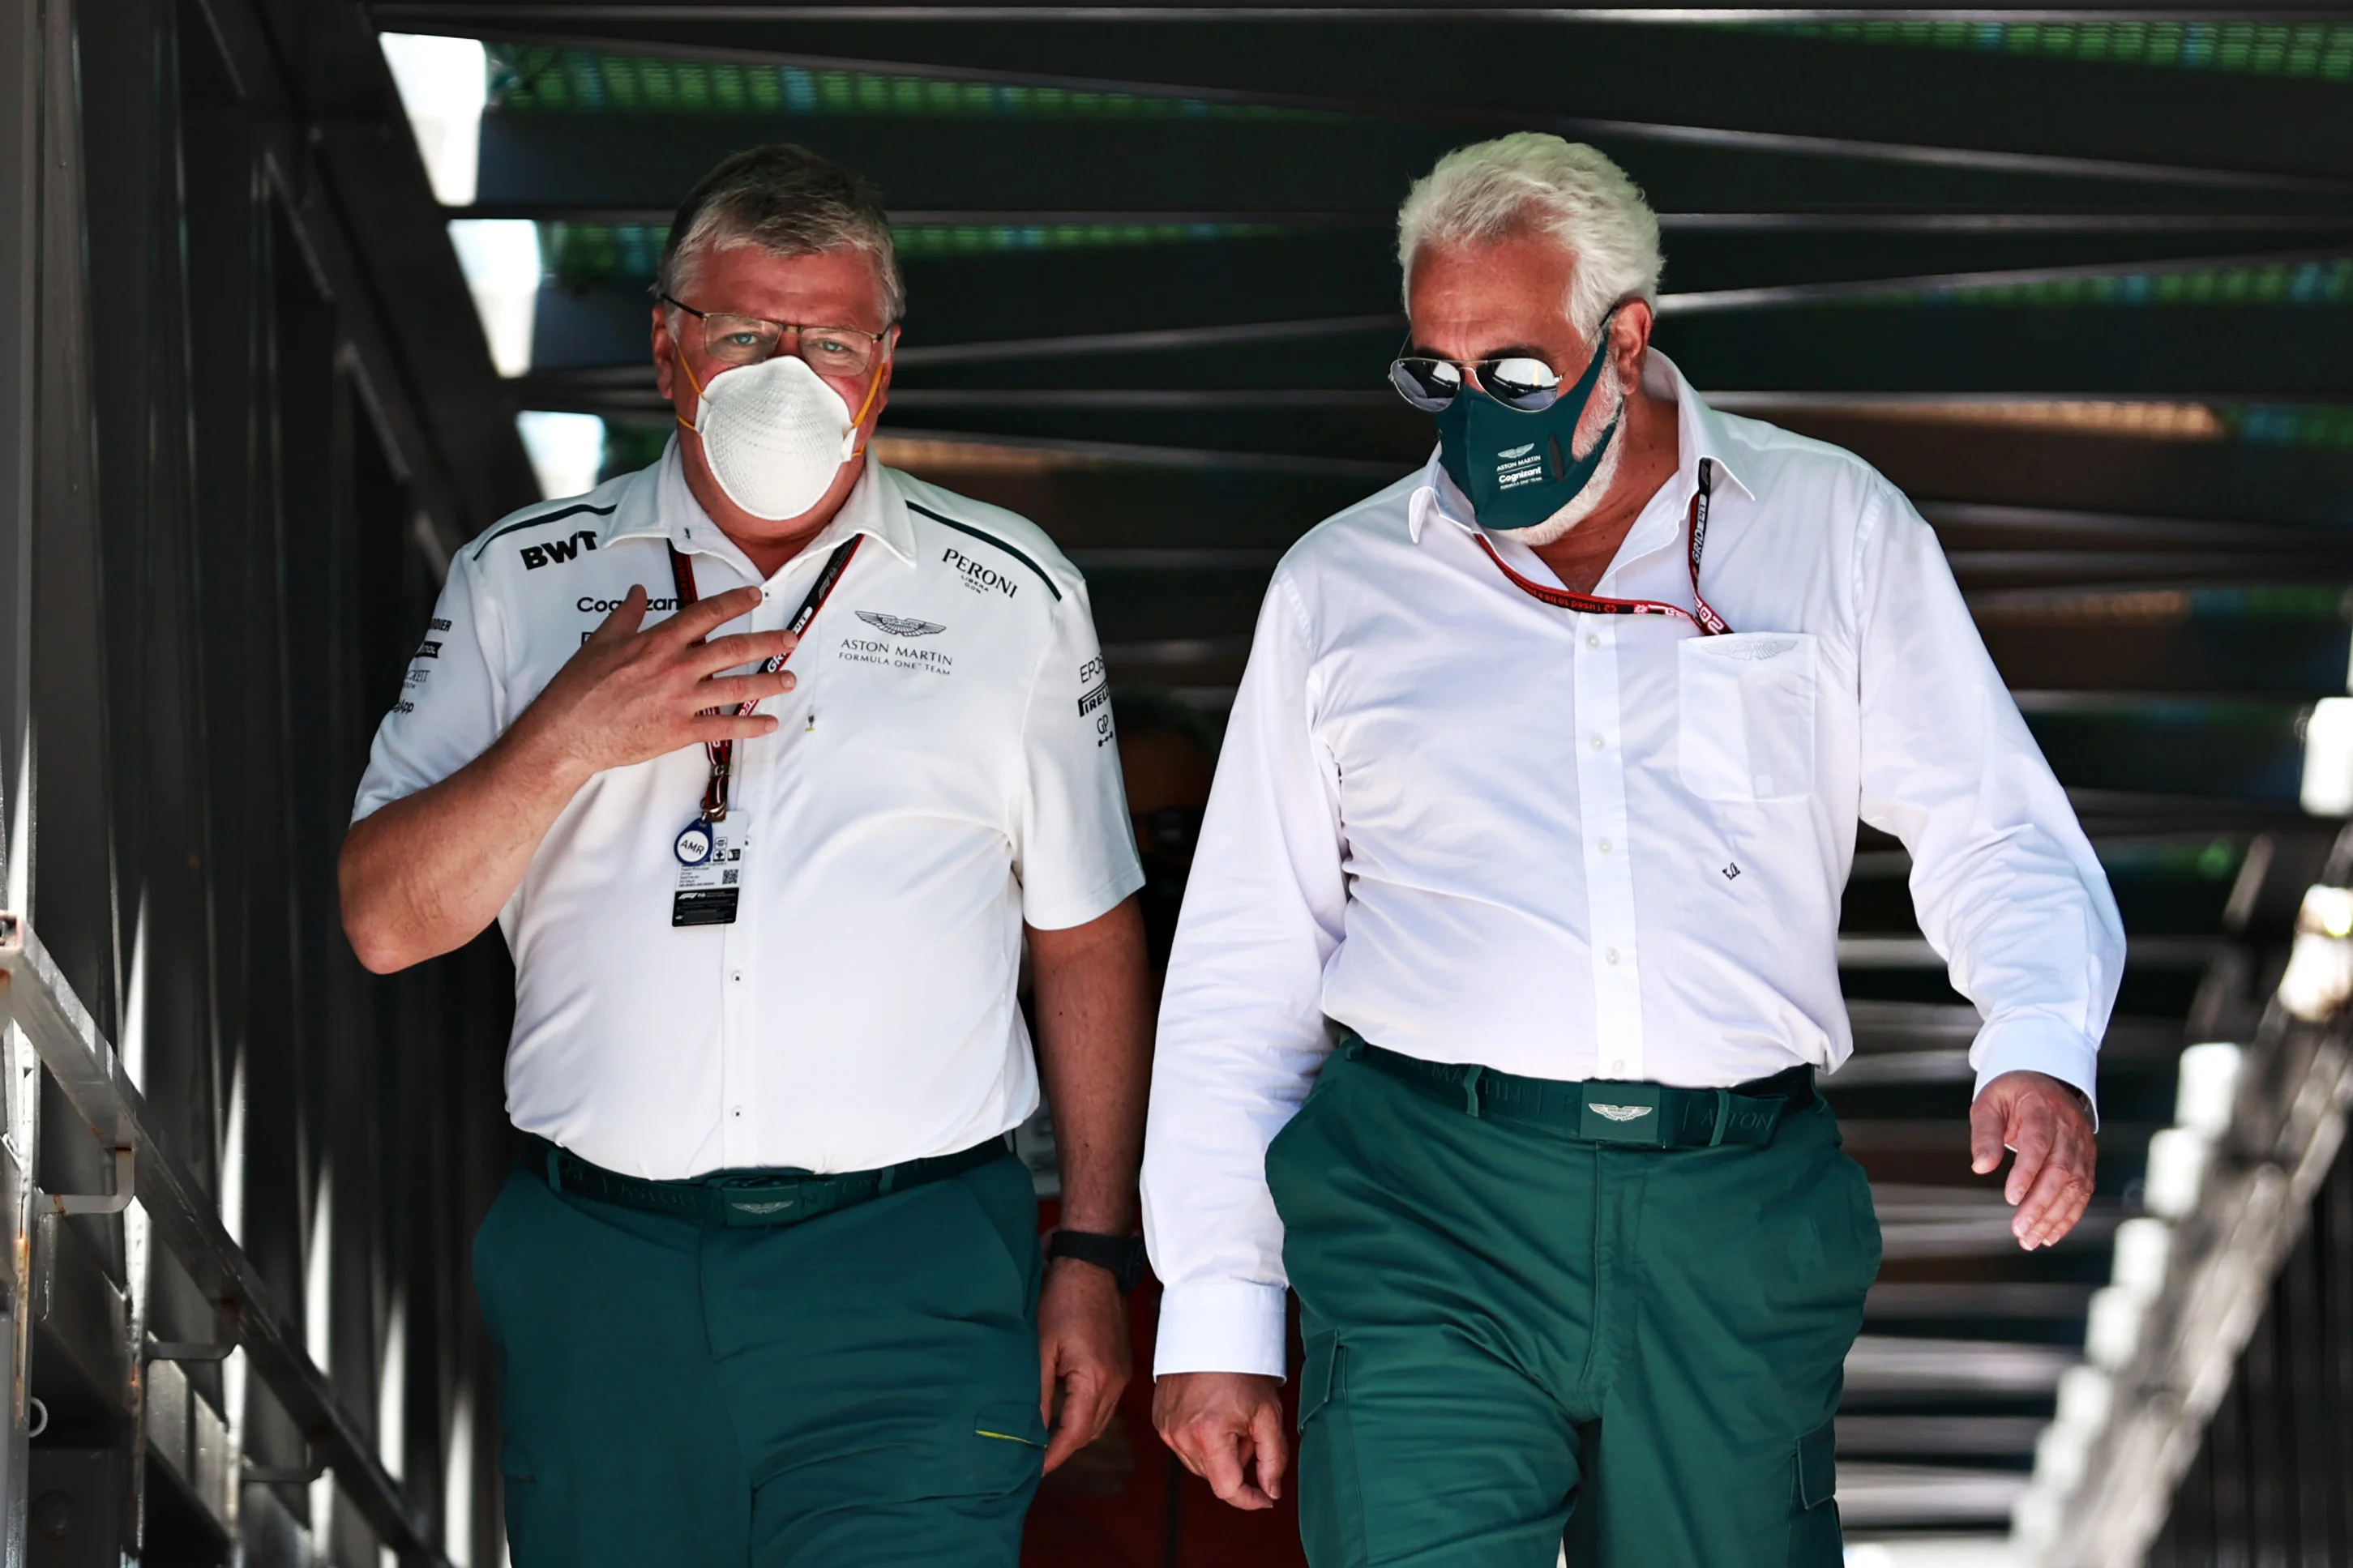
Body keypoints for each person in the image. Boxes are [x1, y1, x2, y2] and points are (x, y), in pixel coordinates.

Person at [1141, 133, 2123, 1568]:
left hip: (1731, 1218)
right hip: (1430, 1204)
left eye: (1517, 371)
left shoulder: (1829, 528)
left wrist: (2038, 1039)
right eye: (1436, 372)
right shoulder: (1341, 584)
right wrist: (1217, 1309)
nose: (1475, 411)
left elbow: (1989, 821)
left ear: (1627, 332)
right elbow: (1246, 964)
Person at [339, 143, 1153, 1567]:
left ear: (881, 366)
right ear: (666, 342)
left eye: (827, 340)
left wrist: (1088, 1251)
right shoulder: (521, 581)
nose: (788, 370)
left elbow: (1081, 933)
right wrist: (566, 740)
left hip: (906, 1269)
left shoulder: (1011, 593)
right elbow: (385, 922)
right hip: (606, 1271)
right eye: (744, 331)